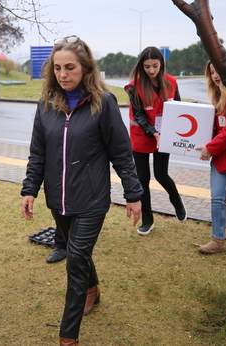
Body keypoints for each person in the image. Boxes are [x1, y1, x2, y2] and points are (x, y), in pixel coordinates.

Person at [20, 35, 142, 346]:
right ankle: (93, 289)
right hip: (57, 200)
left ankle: (67, 337)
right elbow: (38, 152)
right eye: (57, 68)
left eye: (70, 67)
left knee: (75, 259)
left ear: (86, 68)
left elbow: (121, 152)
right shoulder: (46, 104)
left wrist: (133, 194)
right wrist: (29, 189)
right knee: (78, 250)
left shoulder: (104, 102)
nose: (63, 74)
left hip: (91, 199)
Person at [125, 46, 187, 235]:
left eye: (155, 66)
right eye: (147, 67)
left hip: (164, 134)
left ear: (161, 64)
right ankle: (148, 220)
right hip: (142, 136)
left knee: (161, 174)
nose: (151, 71)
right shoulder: (135, 86)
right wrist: (153, 132)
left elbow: (177, 109)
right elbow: (139, 114)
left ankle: (176, 200)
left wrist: (173, 134)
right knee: (142, 179)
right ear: (141, 66)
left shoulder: (172, 82)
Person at [195, 62, 226, 254]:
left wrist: (210, 148)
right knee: (217, 200)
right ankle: (218, 240)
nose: (214, 75)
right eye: (211, 72)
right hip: (221, 157)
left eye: (218, 71)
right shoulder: (218, 97)